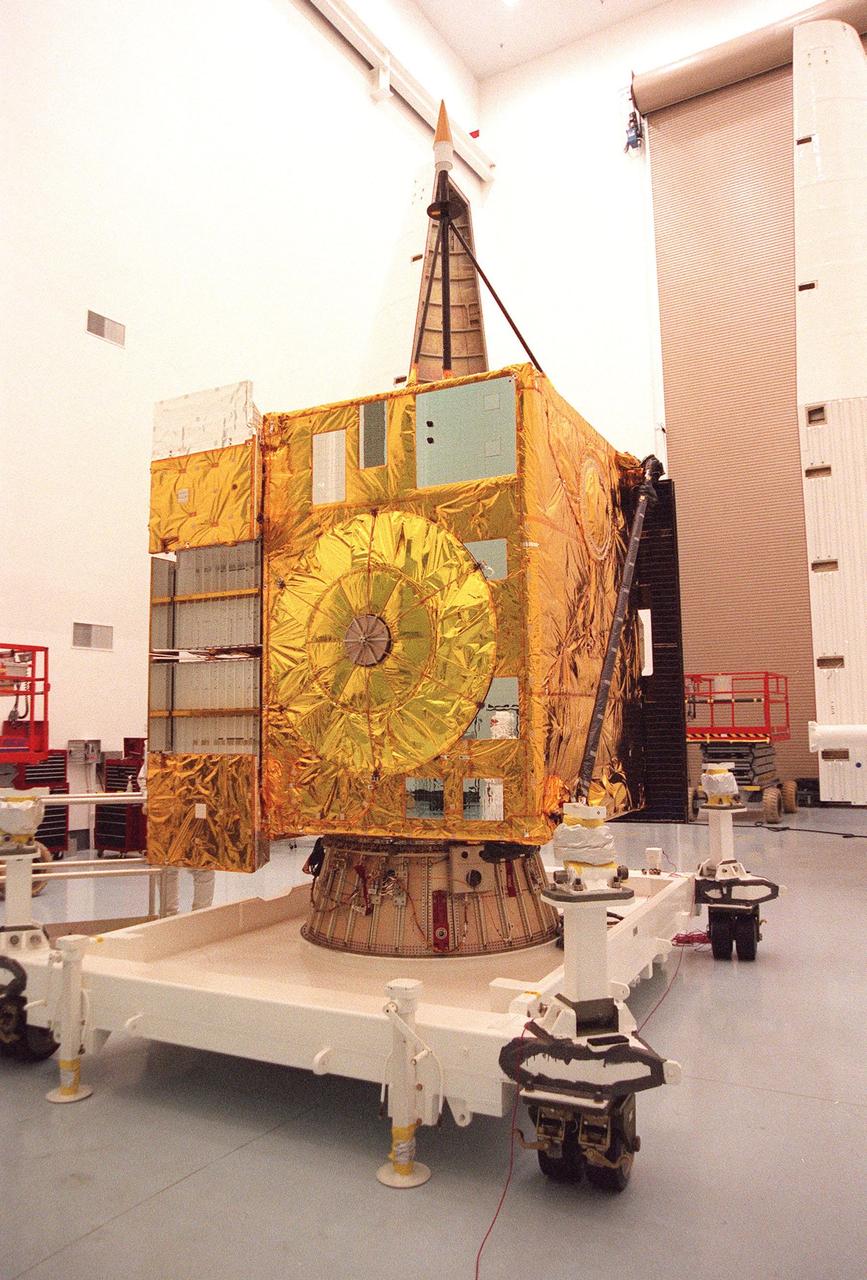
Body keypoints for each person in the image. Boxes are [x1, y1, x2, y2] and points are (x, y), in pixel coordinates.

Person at [137, 759, 215, 916]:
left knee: (202, 867)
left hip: (195, 813)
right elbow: (145, 776)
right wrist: (150, 798)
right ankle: (171, 916)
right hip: (167, 816)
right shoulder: (160, 754)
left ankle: (200, 916)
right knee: (168, 868)